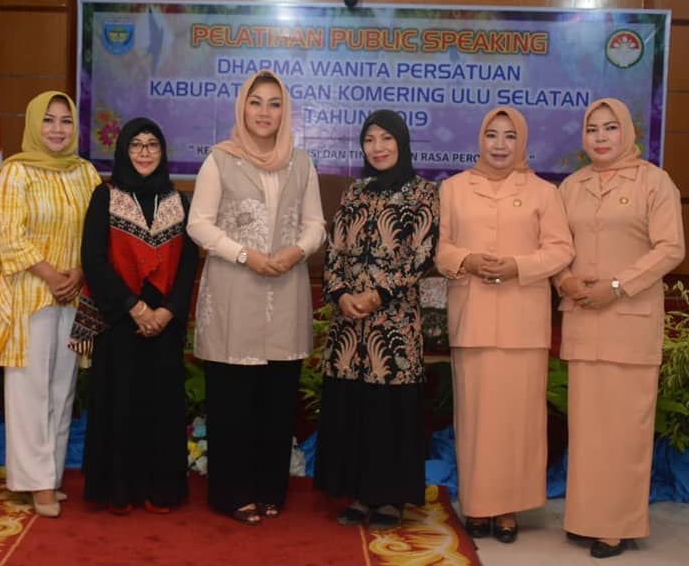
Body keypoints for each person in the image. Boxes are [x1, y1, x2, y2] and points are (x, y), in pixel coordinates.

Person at [187, 69, 326, 525]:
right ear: (242, 108)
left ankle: (270, 490)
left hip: (285, 290)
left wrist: (296, 251)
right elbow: (198, 224)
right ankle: (232, 493)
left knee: (276, 401)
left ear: (285, 112)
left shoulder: (301, 163)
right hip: (234, 290)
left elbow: (316, 225)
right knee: (232, 401)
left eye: (274, 103)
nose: (265, 112)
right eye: (256, 102)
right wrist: (244, 254)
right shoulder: (219, 160)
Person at [435, 106, 573, 542]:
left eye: (509, 136)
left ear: (522, 142)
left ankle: (509, 508)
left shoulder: (544, 193)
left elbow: (561, 250)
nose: (499, 145)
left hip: (523, 322)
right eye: (492, 135)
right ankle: (477, 506)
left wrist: (518, 266)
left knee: (518, 421)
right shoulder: (453, 189)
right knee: (475, 419)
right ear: (480, 139)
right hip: (473, 318)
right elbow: (439, 249)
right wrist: (467, 260)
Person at [555, 98, 685, 558]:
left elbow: (671, 248)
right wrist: (564, 280)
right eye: (593, 129)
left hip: (629, 322)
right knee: (587, 430)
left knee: (625, 430)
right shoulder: (570, 186)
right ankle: (585, 518)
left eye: (610, 128)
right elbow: (555, 247)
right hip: (582, 318)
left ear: (628, 132)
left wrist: (617, 286)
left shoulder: (654, 181)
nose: (601, 137)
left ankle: (616, 525)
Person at [314, 110, 439, 529]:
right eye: (370, 140)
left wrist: (377, 294)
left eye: (386, 138)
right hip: (349, 325)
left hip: (394, 324)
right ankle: (357, 492)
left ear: (401, 142)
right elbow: (334, 249)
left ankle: (389, 499)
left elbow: (421, 254)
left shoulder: (423, 193)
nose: (378, 147)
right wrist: (341, 294)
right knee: (354, 408)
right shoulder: (354, 192)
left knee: (389, 413)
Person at [0, 91, 101, 518]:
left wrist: (81, 272)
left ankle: (48, 476)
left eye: (65, 121)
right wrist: (52, 276)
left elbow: (98, 233)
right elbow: (9, 236)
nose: (57, 129)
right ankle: (35, 483)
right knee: (29, 390)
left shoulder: (85, 172)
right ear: (35, 124)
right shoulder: (14, 172)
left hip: (75, 296)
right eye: (48, 120)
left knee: (62, 389)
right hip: (29, 295)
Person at [78, 118, 199, 514]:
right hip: (120, 322)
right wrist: (134, 307)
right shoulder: (105, 197)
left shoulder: (179, 201)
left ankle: (159, 489)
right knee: (120, 404)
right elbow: (94, 260)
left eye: (152, 145)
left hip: (164, 326)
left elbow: (189, 265)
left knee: (160, 408)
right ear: (123, 151)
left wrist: (166, 311)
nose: (144, 152)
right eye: (136, 144)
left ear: (163, 152)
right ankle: (118, 489)